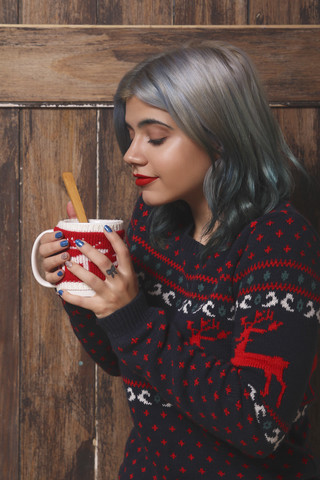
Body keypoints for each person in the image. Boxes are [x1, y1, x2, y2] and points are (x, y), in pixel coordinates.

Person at [39, 41, 320, 479]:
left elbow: (260, 424)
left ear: (221, 137)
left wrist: (129, 315)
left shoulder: (278, 241)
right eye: (130, 135)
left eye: (155, 137)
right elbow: (119, 358)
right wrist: (80, 286)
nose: (131, 154)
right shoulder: (155, 221)